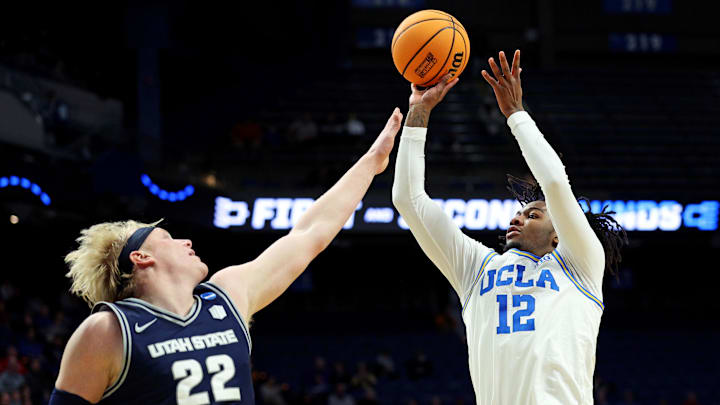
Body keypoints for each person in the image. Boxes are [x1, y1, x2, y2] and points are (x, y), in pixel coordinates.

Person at [49, 107, 404, 405]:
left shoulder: (227, 295)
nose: (186, 241)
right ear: (141, 257)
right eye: (169, 238)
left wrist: (372, 162)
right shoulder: (109, 331)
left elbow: (309, 235)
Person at [392, 51, 627, 404]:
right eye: (520, 213)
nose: (516, 218)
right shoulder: (477, 268)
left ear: (558, 235)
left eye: (533, 215)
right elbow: (409, 200)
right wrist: (419, 111)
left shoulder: (580, 264)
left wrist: (516, 115)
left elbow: (554, 182)